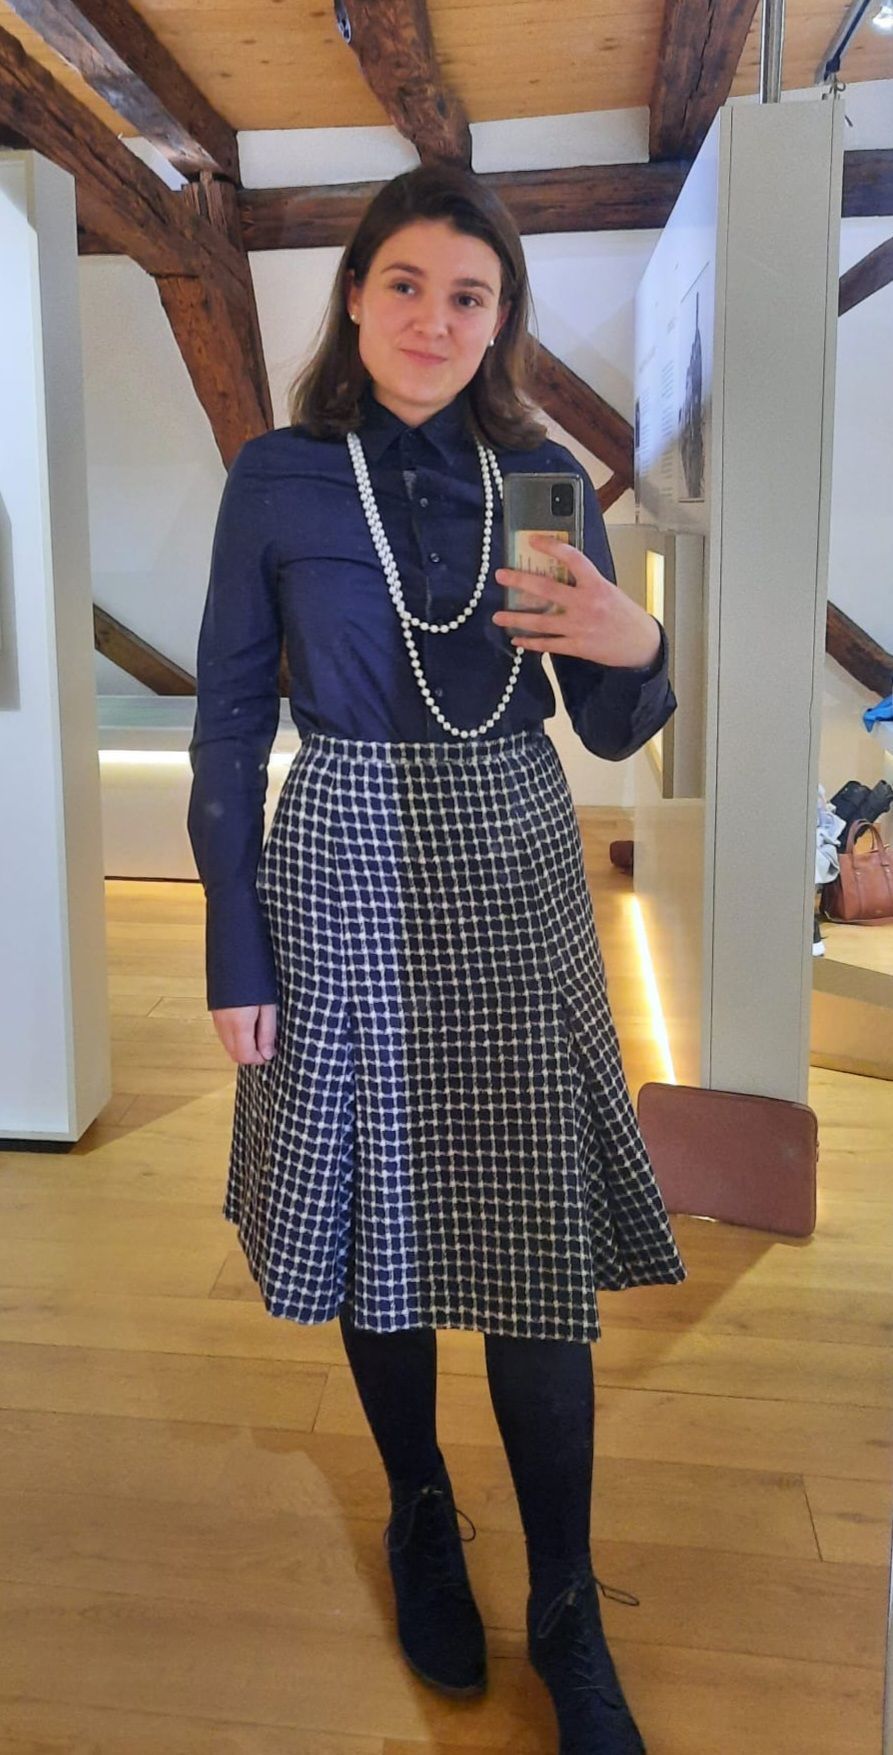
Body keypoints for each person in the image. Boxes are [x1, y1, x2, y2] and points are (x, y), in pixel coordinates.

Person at [188, 162, 686, 1755]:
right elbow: (226, 720)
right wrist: (234, 942)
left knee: (532, 1226)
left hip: (514, 849)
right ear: (353, 296)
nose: (432, 317)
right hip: (335, 851)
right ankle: (418, 1512)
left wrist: (640, 645)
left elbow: (606, 719)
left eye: (467, 295)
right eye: (404, 283)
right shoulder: (278, 477)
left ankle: (564, 1600)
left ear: (498, 320)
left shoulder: (542, 480)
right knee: (376, 1213)